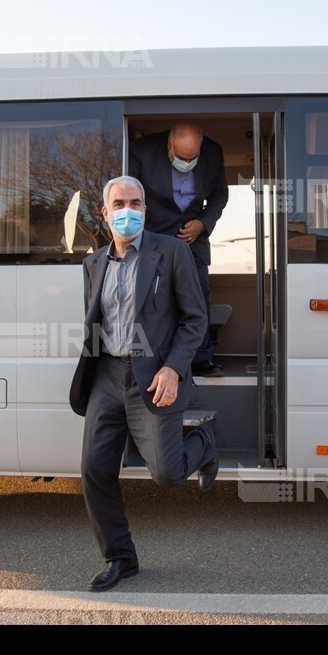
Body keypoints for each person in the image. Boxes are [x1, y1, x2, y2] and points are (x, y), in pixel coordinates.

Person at [69, 175, 219, 592]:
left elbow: (195, 318)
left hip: (153, 377)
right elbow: (96, 322)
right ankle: (121, 558)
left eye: (135, 203)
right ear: (105, 213)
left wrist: (172, 369)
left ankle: (204, 445)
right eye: (119, 204)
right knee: (94, 471)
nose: (127, 211)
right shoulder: (93, 263)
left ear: (145, 210)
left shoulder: (170, 251)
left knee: (168, 474)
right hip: (106, 377)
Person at [129, 123, 229, 377]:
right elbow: (131, 196)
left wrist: (203, 224)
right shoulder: (142, 151)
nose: (188, 162)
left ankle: (201, 360)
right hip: (154, 238)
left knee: (197, 300)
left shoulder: (213, 153)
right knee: (154, 302)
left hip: (193, 242)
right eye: (182, 157)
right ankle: (155, 361)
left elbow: (220, 195)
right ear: (168, 145)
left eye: (193, 158)